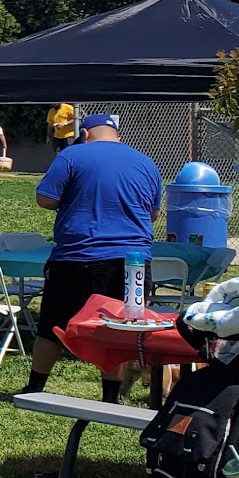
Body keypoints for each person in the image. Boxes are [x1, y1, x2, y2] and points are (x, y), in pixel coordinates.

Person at [24, 113, 162, 402]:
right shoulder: (147, 163)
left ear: (85, 134)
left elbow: (45, 198)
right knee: (121, 327)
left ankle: (35, 386)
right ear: (118, 136)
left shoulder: (72, 155)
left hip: (78, 256)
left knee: (54, 322)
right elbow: (153, 214)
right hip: (134, 261)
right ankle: (111, 396)